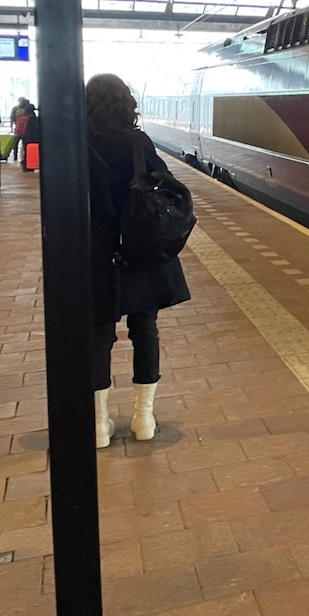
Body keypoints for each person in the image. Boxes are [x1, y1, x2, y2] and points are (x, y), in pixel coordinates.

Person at [87, 73, 191, 448]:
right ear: (126, 103)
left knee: (99, 334)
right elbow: (164, 183)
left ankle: (98, 425)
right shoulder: (137, 142)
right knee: (144, 330)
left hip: (96, 251)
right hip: (139, 249)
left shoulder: (79, 143)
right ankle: (143, 419)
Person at [8, 97, 34, 163]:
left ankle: (15, 157)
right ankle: (24, 158)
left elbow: (13, 118)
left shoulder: (17, 110)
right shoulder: (29, 111)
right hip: (26, 130)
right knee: (25, 145)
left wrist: (12, 126)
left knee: (16, 144)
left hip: (18, 129)